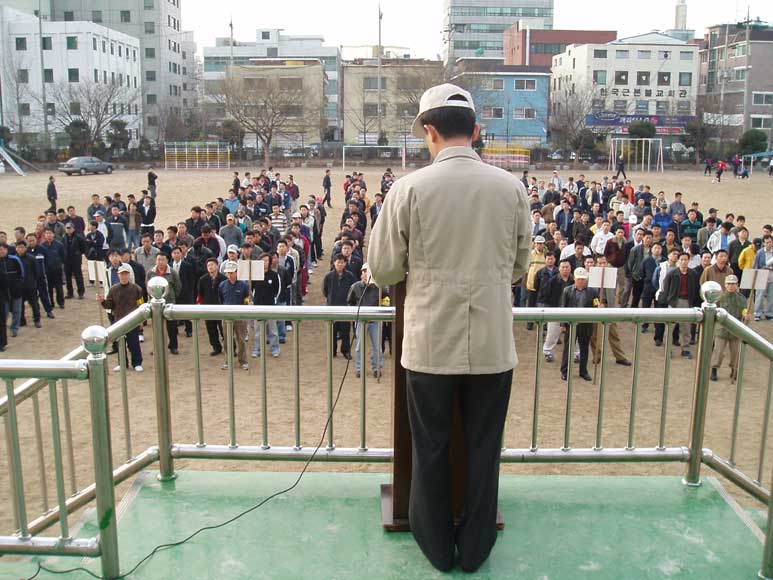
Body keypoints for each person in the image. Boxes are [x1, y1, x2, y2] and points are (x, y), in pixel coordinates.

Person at [368, 84, 531, 573]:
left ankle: (436, 546)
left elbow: (382, 269)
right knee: (484, 447)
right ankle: (477, 546)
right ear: (477, 131)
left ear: (428, 131)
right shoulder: (512, 187)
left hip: (429, 343)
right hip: (492, 343)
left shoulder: (409, 189)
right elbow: (522, 265)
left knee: (431, 446)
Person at [98, 264, 144, 372]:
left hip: (132, 321)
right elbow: (109, 305)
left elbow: (141, 305)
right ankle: (122, 363)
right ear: (118, 275)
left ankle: (137, 363)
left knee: (134, 343)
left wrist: (141, 320)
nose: (123, 276)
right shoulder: (113, 289)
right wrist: (102, 301)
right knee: (120, 344)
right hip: (118, 320)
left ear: (129, 275)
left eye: (125, 274)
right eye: (121, 274)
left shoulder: (136, 289)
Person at [559, 267, 598, 381]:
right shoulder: (567, 290)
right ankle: (565, 371)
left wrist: (599, 307)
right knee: (568, 348)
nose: (581, 281)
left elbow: (596, 305)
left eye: (583, 279)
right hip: (571, 324)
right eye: (579, 279)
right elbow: (563, 307)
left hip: (585, 324)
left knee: (584, 348)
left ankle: (583, 371)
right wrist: (562, 324)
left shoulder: (592, 291)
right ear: (575, 279)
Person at [347, 263, 384, 378]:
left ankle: (377, 367)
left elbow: (386, 300)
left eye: (369, 272)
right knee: (359, 346)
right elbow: (350, 302)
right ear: (361, 274)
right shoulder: (355, 287)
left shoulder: (380, 287)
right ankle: (359, 368)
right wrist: (354, 316)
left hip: (376, 321)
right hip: (361, 321)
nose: (367, 274)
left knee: (377, 346)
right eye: (365, 272)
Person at [661, 252, 701, 359]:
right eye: (682, 260)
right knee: (670, 327)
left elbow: (696, 289)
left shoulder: (693, 274)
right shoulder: (672, 273)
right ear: (678, 261)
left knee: (686, 327)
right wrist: (669, 300)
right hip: (675, 302)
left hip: (687, 302)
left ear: (689, 261)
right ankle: (668, 349)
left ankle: (686, 349)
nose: (684, 262)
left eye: (686, 260)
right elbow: (666, 288)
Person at [711, 275, 748, 382]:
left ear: (737, 285)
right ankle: (714, 369)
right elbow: (714, 313)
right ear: (725, 285)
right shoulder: (719, 297)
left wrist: (746, 317)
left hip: (735, 330)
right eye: (729, 284)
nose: (731, 286)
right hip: (721, 329)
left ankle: (734, 369)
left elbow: (744, 313)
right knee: (718, 352)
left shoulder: (742, 299)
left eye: (733, 284)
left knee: (735, 353)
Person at [218, 260, 250, 371]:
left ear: (236, 272)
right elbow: (221, 299)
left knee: (241, 339)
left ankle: (243, 360)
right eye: (228, 273)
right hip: (226, 316)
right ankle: (228, 360)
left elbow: (246, 300)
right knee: (227, 339)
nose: (229, 275)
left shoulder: (243, 285)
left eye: (232, 272)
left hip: (240, 316)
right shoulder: (222, 285)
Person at [146, 253, 181, 355]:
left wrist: (172, 297)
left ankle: (173, 346)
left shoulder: (172, 273)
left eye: (163, 260)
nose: (160, 262)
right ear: (155, 261)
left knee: (172, 327)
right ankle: (157, 347)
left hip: (169, 304)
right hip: (155, 305)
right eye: (158, 260)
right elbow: (148, 287)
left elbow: (178, 287)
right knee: (157, 328)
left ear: (167, 261)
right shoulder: (150, 273)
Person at [323, 254, 355, 359]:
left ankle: (346, 351)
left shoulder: (350, 276)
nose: (340, 264)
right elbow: (325, 291)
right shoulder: (329, 276)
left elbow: (353, 290)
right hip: (332, 307)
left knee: (345, 331)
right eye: (338, 262)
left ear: (345, 263)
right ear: (334, 263)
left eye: (342, 262)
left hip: (345, 307)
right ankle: (332, 351)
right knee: (332, 330)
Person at [251, 253, 281, 358]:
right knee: (258, 331)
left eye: (267, 261)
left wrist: (274, 300)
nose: (265, 263)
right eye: (263, 261)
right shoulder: (255, 274)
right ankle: (257, 349)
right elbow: (251, 289)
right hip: (258, 306)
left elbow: (277, 289)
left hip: (270, 306)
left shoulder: (273, 275)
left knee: (273, 330)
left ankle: (275, 349)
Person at [197, 258, 226, 355]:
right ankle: (216, 347)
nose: (210, 267)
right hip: (208, 307)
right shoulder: (203, 279)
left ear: (217, 266)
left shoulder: (223, 279)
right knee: (211, 329)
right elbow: (200, 293)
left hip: (221, 307)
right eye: (208, 265)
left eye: (212, 265)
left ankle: (230, 347)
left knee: (224, 329)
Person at [62, 222, 87, 300]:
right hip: (66, 260)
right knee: (68, 277)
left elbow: (83, 248)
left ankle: (81, 292)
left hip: (76, 260)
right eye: (67, 228)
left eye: (70, 228)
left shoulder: (78, 237)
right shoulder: (64, 237)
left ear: (73, 229)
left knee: (78, 276)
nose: (68, 230)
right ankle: (70, 292)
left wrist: (78, 253)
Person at [753, 235, 773, 321]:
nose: (769, 244)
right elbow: (755, 265)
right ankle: (757, 313)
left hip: (771, 276)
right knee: (759, 296)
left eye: (770, 242)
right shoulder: (760, 252)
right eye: (767, 242)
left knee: (771, 296)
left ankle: (769, 313)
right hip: (761, 275)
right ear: (764, 243)